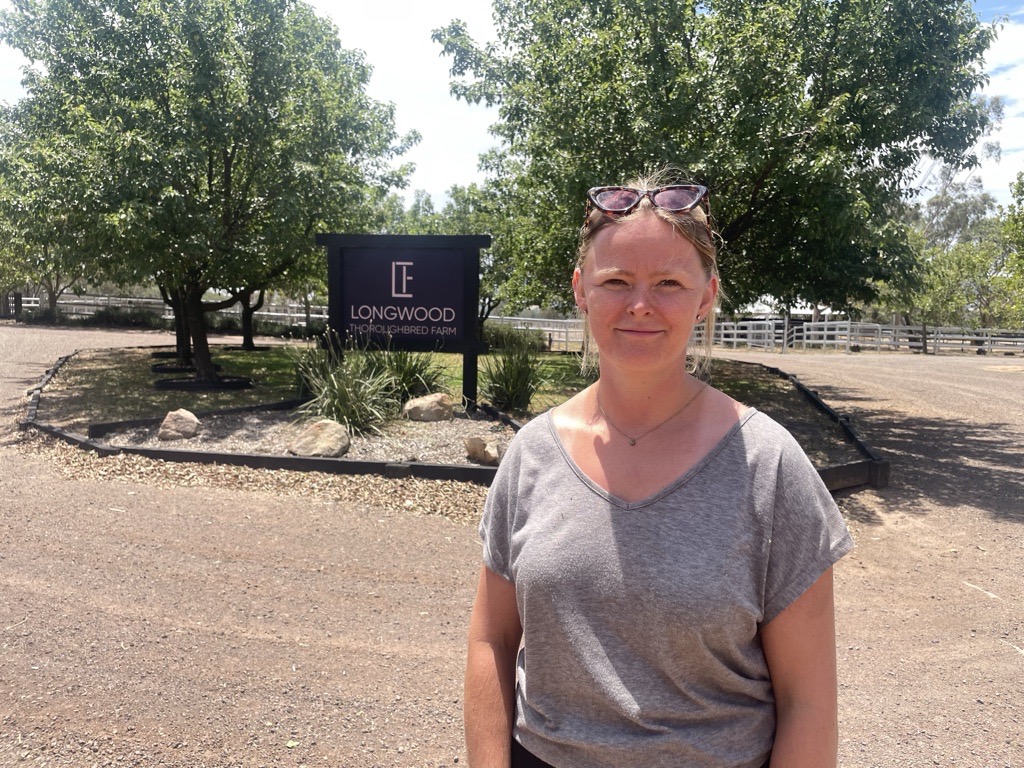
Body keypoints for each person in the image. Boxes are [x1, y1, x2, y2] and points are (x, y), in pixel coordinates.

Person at [464, 172, 854, 768]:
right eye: (616, 280)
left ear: (705, 296)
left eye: (668, 282)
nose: (640, 304)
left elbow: (809, 705)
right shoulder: (532, 456)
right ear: (580, 290)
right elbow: (491, 642)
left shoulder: (770, 466)